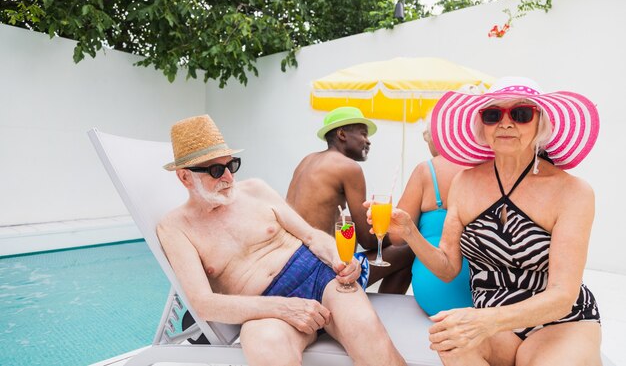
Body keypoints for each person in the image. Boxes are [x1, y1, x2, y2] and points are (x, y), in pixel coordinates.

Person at [381, 78, 602, 365]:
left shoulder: (572, 191)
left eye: (521, 114)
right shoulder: (465, 182)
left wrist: (485, 320)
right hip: (495, 324)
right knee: (451, 344)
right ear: (482, 126)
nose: (506, 123)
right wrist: (410, 232)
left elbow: (562, 296)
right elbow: (448, 268)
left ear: (540, 124)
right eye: (493, 114)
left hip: (561, 322)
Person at [157, 114, 406, 366]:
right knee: (265, 347)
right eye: (215, 170)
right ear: (185, 177)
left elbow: (311, 235)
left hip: (323, 279)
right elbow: (203, 304)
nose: (229, 178)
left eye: (231, 166)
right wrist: (284, 308)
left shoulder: (255, 190)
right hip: (267, 309)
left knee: (366, 332)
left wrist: (340, 258)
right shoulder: (175, 228)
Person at [287, 106, 413, 294]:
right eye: (364, 134)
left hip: (291, 266)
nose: (368, 142)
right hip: (317, 273)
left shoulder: (307, 160)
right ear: (342, 134)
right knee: (407, 250)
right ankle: (385, 309)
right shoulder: (348, 167)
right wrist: (394, 230)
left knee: (346, 223)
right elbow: (368, 240)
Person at [393, 115, 473, 315]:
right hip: (481, 293)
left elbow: (396, 238)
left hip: (434, 289)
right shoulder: (487, 170)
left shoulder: (426, 170)